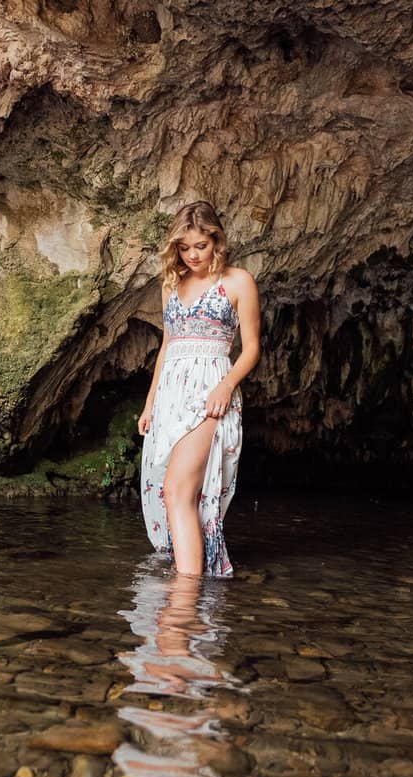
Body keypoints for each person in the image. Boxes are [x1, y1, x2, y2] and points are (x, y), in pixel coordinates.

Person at [137, 201, 261, 578]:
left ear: (216, 241)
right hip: (171, 394)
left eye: (200, 246)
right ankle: (189, 582)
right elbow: (167, 346)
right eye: (184, 247)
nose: (192, 255)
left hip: (210, 391)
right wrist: (149, 404)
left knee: (178, 491)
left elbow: (252, 348)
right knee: (172, 493)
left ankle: (185, 596)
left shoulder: (238, 281)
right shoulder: (171, 284)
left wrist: (226, 386)